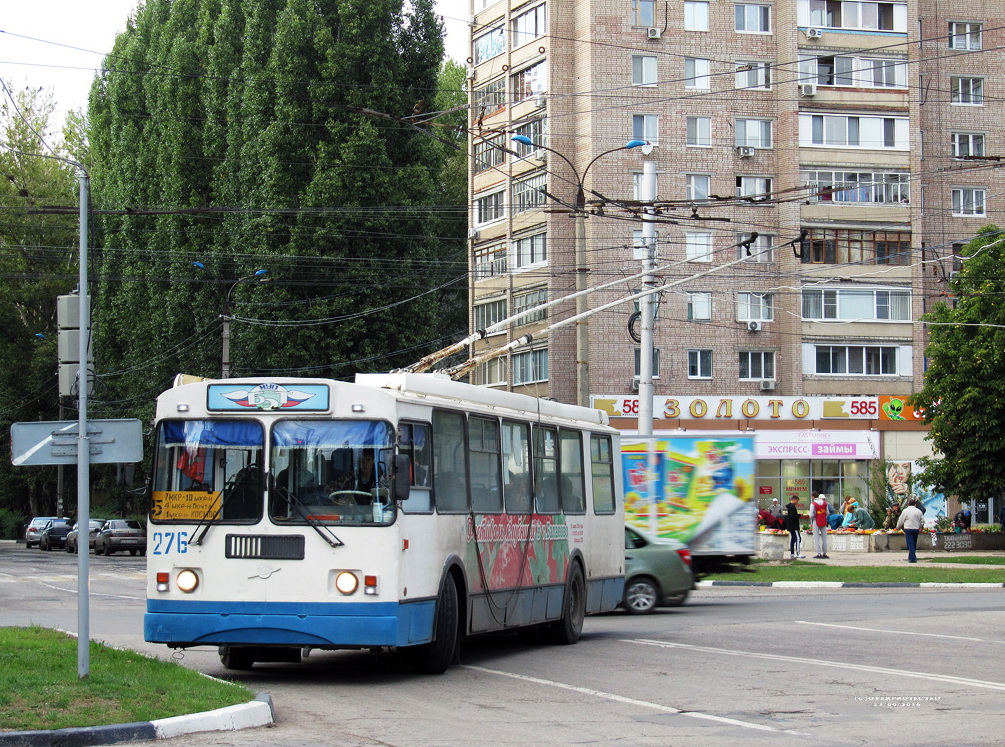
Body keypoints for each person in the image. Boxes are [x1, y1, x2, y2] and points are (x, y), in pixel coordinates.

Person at [896, 496, 925, 563]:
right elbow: (922, 521)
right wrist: (919, 526)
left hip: (908, 528)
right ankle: (911, 556)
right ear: (915, 504)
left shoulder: (905, 511)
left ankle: (913, 558)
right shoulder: (919, 511)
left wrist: (898, 527)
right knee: (914, 543)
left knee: (910, 543)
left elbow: (901, 520)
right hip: (916, 529)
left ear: (908, 504)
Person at [809, 492, 831, 559]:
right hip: (823, 520)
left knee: (816, 537)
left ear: (813, 496)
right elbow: (827, 512)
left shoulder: (813, 504)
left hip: (816, 520)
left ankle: (819, 553)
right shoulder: (825, 503)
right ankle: (825, 553)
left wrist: (813, 517)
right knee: (824, 537)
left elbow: (811, 515)